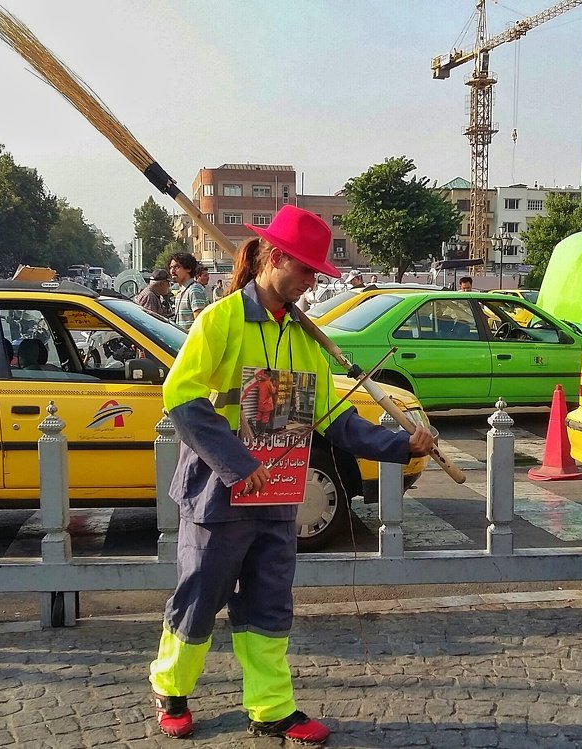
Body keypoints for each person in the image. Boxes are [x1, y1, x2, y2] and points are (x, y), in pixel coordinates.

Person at [148, 204, 433, 743]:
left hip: (279, 497)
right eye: (305, 271)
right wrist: (238, 464)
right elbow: (181, 399)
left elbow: (335, 421)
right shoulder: (221, 320)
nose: (309, 283)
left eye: (314, 275)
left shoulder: (305, 338)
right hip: (217, 494)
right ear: (275, 258)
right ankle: (172, 688)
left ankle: (272, 706)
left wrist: (401, 444)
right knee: (199, 596)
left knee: (269, 605)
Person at [169, 252, 209, 331]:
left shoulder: (194, 290)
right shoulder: (181, 292)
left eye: (176, 267)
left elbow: (200, 322)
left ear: (188, 268)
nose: (172, 271)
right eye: (171, 267)